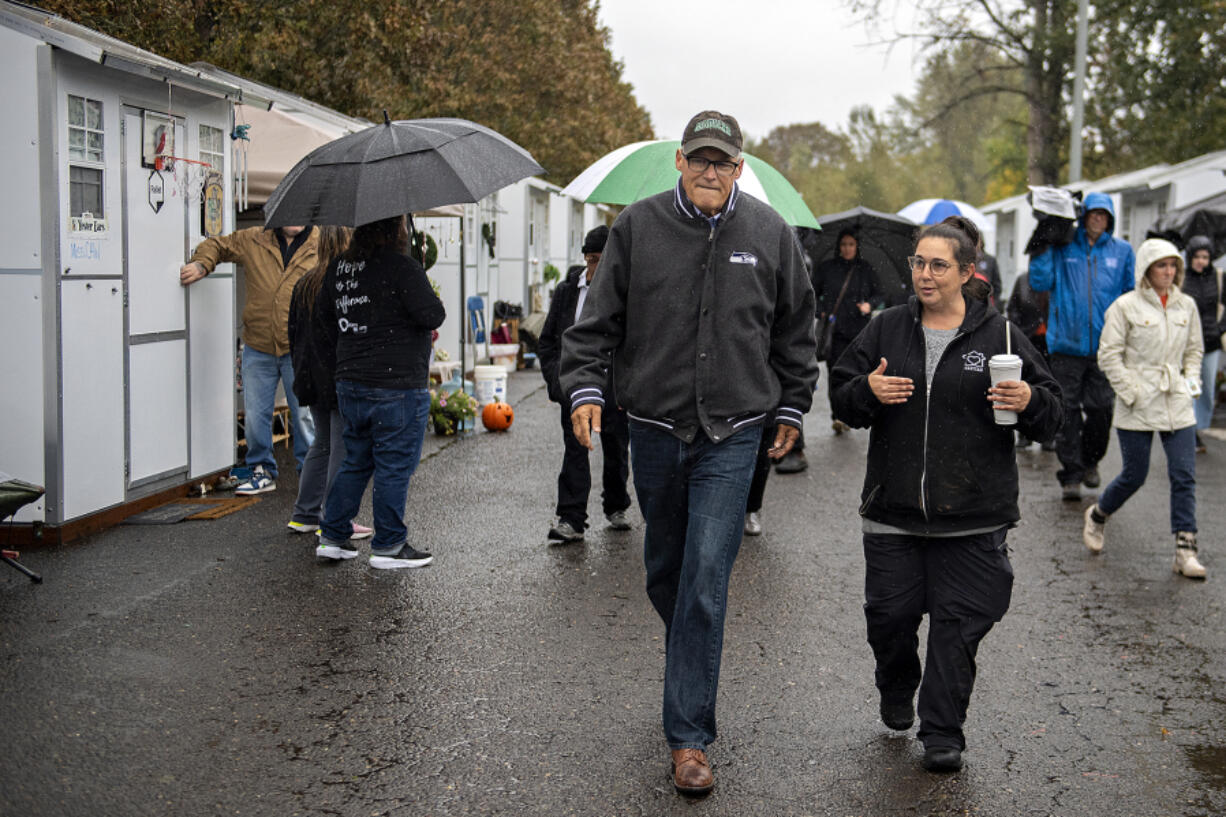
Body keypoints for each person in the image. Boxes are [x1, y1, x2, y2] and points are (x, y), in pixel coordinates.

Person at [560, 110, 818, 795]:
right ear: (680, 161)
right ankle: (690, 669)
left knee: (706, 575)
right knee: (666, 571)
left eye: (722, 161)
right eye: (699, 159)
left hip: (733, 432)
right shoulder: (637, 229)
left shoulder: (770, 235)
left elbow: (797, 328)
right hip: (652, 425)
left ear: (740, 169)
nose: (710, 171)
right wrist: (585, 385)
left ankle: (689, 736)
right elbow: (595, 326)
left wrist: (792, 402)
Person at [831, 216, 1062, 773]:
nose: (925, 275)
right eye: (918, 263)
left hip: (975, 517)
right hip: (894, 512)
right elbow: (840, 395)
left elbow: (1052, 416)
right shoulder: (886, 328)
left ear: (966, 272)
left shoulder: (1000, 336)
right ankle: (896, 681)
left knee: (958, 629)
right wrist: (867, 389)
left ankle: (942, 730)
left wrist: (1029, 397)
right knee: (889, 619)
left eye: (938, 265)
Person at [314, 215, 445, 569]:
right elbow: (432, 314)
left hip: (351, 382)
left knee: (356, 460)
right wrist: (418, 273)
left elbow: (324, 317)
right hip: (396, 385)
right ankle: (388, 545)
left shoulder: (340, 268)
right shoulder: (403, 267)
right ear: (394, 229)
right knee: (394, 465)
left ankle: (333, 536)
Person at [1082, 238, 1206, 578]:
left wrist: (1191, 381)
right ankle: (1098, 515)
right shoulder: (1125, 307)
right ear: (1146, 270)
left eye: (1172, 266)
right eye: (1161, 266)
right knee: (1134, 475)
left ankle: (1185, 549)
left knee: (1184, 475)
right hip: (1137, 398)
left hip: (1176, 398)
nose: (1169, 272)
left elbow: (1194, 350)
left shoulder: (1187, 306)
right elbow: (1109, 354)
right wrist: (1131, 391)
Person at [181, 225, 319, 495]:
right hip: (258, 344)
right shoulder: (254, 238)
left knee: (304, 417)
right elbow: (217, 245)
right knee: (256, 416)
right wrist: (202, 264)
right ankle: (262, 471)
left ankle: (311, 476)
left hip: (301, 346)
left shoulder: (320, 243)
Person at [1029, 192, 1135, 500]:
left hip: (1106, 348)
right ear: (1084, 216)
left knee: (1101, 410)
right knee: (1067, 411)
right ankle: (1071, 474)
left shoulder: (1123, 251)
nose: (1098, 219)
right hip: (1066, 346)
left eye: (1104, 215)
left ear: (1110, 219)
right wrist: (1043, 245)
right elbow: (1039, 282)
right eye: (1093, 214)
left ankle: (1091, 462)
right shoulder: (1064, 246)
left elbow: (1130, 296)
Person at [537, 225, 632, 543]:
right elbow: (548, 341)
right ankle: (571, 519)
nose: (594, 270)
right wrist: (558, 382)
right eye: (591, 260)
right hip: (575, 388)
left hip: (614, 389)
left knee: (617, 449)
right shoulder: (567, 292)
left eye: (602, 262)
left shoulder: (626, 293)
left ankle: (616, 506)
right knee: (575, 450)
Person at [285, 225, 372, 540]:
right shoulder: (343, 285)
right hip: (337, 377)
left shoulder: (304, 284)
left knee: (321, 443)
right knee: (342, 448)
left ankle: (304, 513)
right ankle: (335, 519)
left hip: (309, 376)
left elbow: (293, 333)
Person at [798, 228, 885, 449]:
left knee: (860, 374)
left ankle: (856, 412)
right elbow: (811, 294)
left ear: (857, 247)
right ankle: (838, 415)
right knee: (837, 373)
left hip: (860, 332)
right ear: (839, 246)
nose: (847, 249)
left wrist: (869, 305)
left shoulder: (865, 269)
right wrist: (821, 312)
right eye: (844, 244)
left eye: (851, 244)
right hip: (834, 333)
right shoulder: (827, 268)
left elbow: (880, 294)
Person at [1181, 236, 1224, 452]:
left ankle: (1199, 426)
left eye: (1205, 257)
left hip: (1211, 342)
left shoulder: (1218, 278)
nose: (1201, 261)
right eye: (1197, 257)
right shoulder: (1182, 278)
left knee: (1206, 390)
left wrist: (1220, 328)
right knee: (1189, 387)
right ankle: (1189, 432)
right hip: (1185, 344)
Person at [1006, 271, 1054, 449]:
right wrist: (1017, 331)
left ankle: (1048, 435)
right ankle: (1025, 433)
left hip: (1051, 342)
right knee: (1025, 386)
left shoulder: (1056, 278)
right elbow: (1013, 307)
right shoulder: (1023, 280)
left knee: (1049, 387)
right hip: (1028, 340)